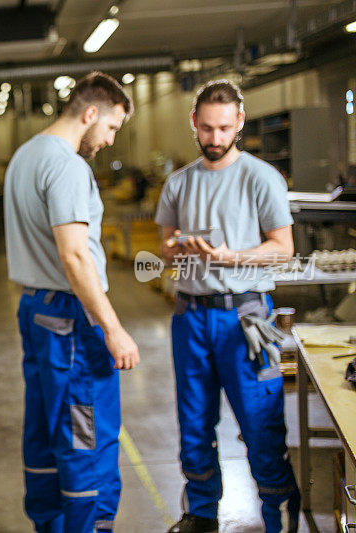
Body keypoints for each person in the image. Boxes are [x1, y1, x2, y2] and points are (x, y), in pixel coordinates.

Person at [155, 80, 300, 533]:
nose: (214, 139)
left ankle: (277, 516)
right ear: (193, 124)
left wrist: (229, 257)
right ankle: (201, 514)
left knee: (260, 425)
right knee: (194, 425)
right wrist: (179, 249)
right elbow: (163, 248)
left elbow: (283, 248)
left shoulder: (262, 177)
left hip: (246, 318)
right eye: (206, 129)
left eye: (224, 128)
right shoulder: (179, 183)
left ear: (239, 123)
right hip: (190, 317)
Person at [4, 72, 140, 533]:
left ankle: (51, 525)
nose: (109, 140)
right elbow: (75, 254)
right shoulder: (67, 165)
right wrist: (113, 328)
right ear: (89, 114)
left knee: (45, 426)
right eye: (112, 128)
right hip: (71, 320)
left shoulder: (25, 156)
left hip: (35, 313)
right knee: (88, 435)